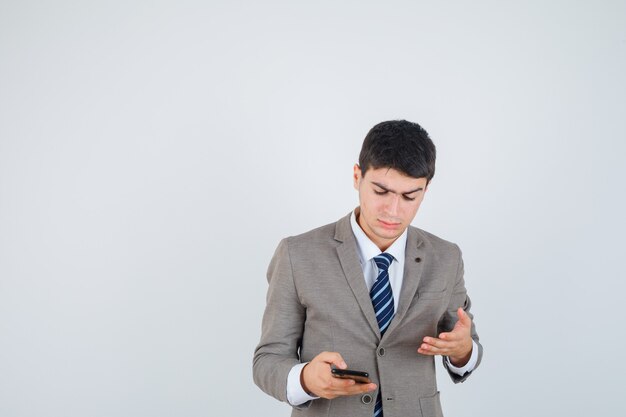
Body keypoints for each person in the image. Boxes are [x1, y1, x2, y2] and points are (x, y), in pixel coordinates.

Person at [253, 120, 482, 417]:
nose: (393, 210)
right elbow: (267, 360)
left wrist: (463, 350)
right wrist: (306, 379)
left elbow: (466, 349)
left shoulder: (446, 257)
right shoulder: (297, 254)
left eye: (409, 196)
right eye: (381, 191)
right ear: (357, 176)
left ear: (425, 190)